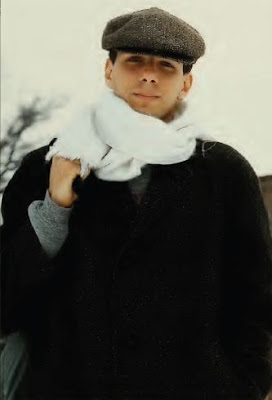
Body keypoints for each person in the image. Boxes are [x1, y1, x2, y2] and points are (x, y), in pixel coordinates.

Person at [1, 6, 272, 400]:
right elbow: (9, 302)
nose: (148, 74)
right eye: (134, 62)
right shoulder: (46, 166)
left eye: (166, 65)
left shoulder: (224, 173)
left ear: (186, 84)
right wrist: (55, 207)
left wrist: (243, 388)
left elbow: (255, 301)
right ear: (109, 71)